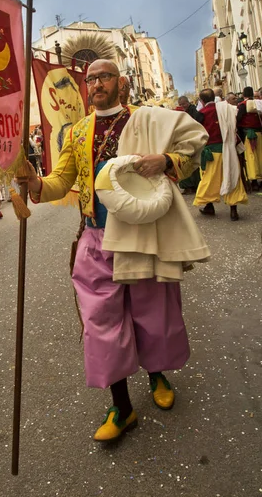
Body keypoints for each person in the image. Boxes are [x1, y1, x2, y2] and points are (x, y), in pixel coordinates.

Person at [19, 59, 209, 443]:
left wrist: (167, 160)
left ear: (121, 83)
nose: (96, 84)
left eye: (104, 77)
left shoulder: (149, 119)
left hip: (144, 236)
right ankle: (122, 407)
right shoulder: (75, 133)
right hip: (95, 237)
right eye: (90, 79)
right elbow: (61, 182)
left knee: (154, 314)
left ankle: (157, 373)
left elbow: (190, 159)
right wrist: (35, 183)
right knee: (101, 324)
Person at [194, 88, 248, 220]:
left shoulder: (201, 113)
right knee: (231, 176)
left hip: (212, 153)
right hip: (229, 150)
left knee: (210, 179)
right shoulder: (228, 109)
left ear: (202, 100)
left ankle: (209, 206)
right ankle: (233, 210)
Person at [237, 86, 262, 190]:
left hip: (248, 134)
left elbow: (238, 119)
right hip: (259, 133)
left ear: (243, 94)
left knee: (251, 157)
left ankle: (254, 181)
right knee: (260, 155)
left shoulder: (242, 105)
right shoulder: (259, 103)